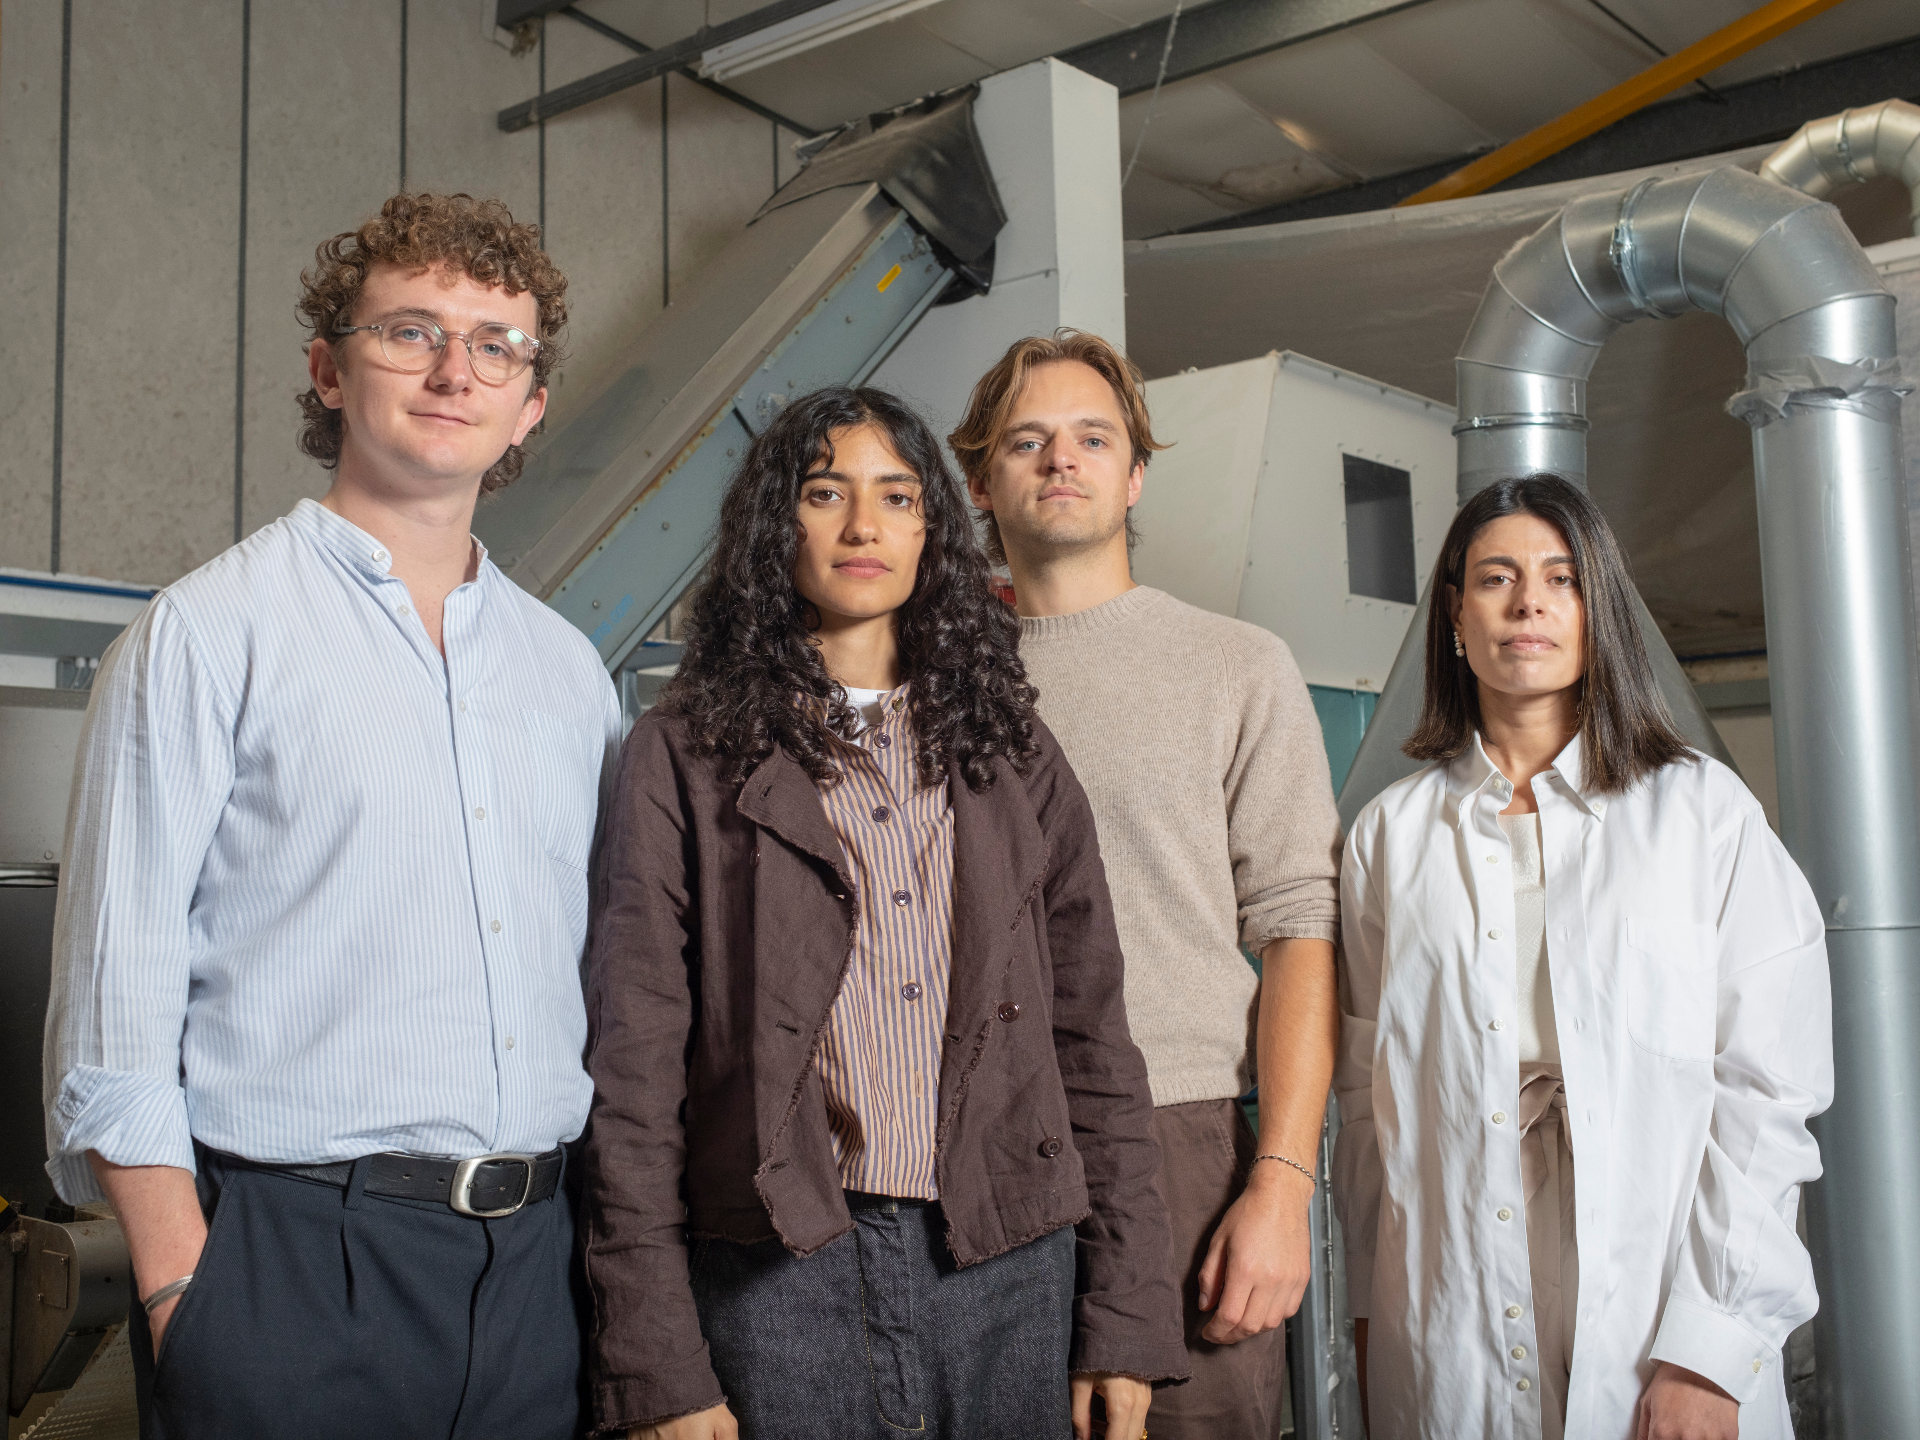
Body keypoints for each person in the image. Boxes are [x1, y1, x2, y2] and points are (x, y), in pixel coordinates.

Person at [41, 192, 619, 1439]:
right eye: (411, 330)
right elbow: (110, 1010)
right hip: (289, 1266)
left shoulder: (572, 673)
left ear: (529, 404)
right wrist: (185, 1289)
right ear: (328, 369)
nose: (454, 369)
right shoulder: (207, 635)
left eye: (496, 344)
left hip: (537, 1277)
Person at [580, 385, 1187, 1440]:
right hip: (776, 1268)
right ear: (779, 525)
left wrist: (1124, 1315)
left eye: (898, 497)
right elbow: (632, 1071)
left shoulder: (1012, 752)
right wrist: (656, 1358)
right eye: (827, 494)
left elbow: (1093, 1041)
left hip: (1004, 1258)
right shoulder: (681, 754)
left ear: (933, 532)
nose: (864, 526)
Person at [1331, 474, 1832, 1440]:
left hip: (1660, 1292)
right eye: (1497, 579)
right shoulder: (1388, 838)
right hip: (1452, 1291)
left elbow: (1767, 1094)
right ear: (1455, 615)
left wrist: (1710, 1351)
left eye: (1561, 579)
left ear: (1597, 608)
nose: (1528, 603)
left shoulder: (1703, 815)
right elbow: (1368, 1105)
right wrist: (1373, 1316)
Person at [951, 331, 1344, 1439]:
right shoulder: (929, 679)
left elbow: (1301, 933)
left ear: (1135, 475)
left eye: (1091, 438)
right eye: (1026, 441)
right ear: (982, 479)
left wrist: (1280, 1184)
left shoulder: (1237, 665)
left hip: (1180, 1143)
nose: (1059, 460)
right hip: (968, 1135)